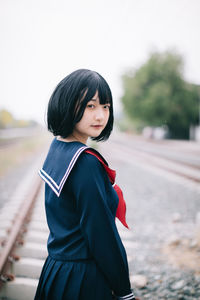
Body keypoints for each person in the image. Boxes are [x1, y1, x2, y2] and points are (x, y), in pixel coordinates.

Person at [34, 69, 135, 300]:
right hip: (84, 280)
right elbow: (102, 236)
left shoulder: (59, 147)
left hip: (56, 271)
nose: (100, 116)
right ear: (68, 105)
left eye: (106, 106)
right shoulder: (86, 163)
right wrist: (124, 292)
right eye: (90, 106)